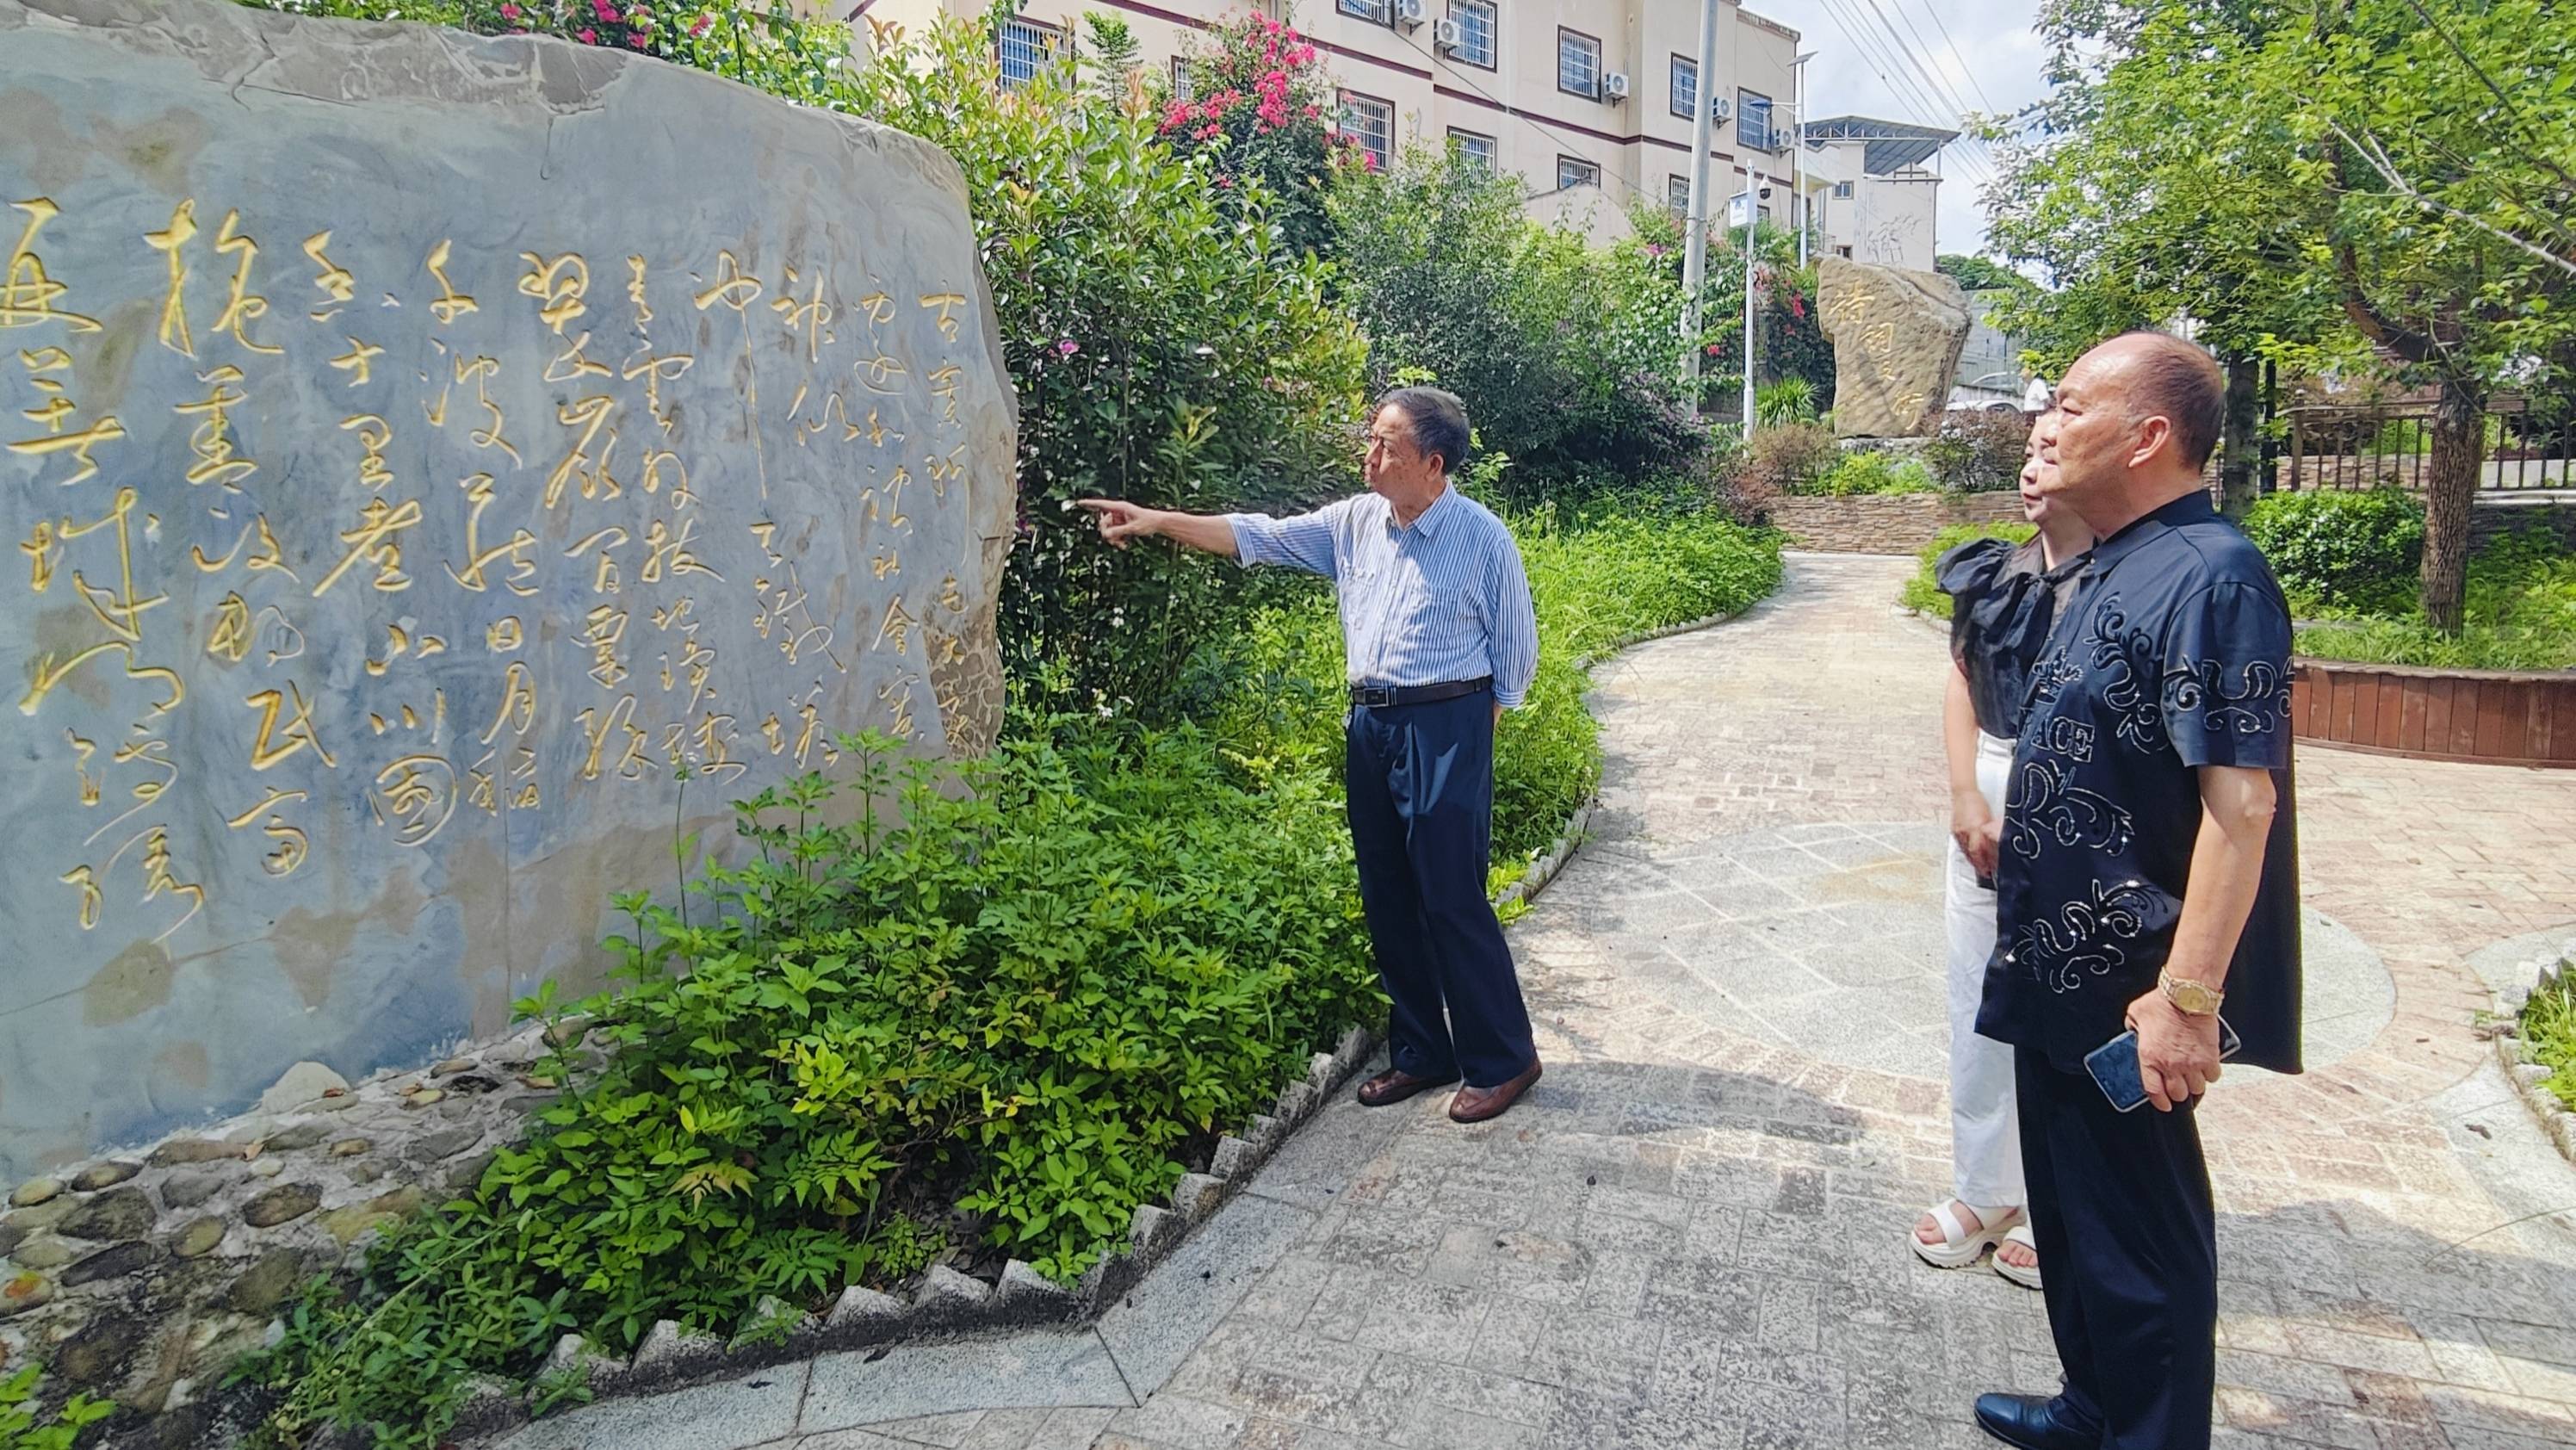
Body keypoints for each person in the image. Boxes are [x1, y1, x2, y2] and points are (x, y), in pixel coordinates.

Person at [1969, 332, 2302, 1450]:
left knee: (2141, 1246)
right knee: (2070, 1222)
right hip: (2055, 980)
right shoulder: (2116, 557)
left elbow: (2240, 809)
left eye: (2068, 406)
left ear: (2149, 434)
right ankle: (2091, 1409)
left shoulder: (2213, 575)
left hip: (2131, 1001)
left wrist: (2188, 999)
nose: (2045, 425)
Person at [1074, 387, 1547, 1124]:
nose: (1369, 456)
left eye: (1385, 446)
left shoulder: (1483, 539)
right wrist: (1158, 520)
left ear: (1432, 462)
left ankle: (1505, 1058)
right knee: (1388, 892)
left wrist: (1465, 739)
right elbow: (1256, 534)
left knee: (1451, 896)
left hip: (1448, 725)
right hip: (1373, 724)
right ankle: (1423, 1051)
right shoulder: (1355, 523)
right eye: (1372, 439)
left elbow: (1516, 657)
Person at [1913, 431, 2090, 1292]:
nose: (2031, 467)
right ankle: (1986, 1189)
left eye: (2054, 449)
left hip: (2083, 807)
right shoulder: (1992, 575)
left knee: (2069, 1008)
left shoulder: (2130, 586)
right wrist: (1963, 797)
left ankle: (2061, 1203)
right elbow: (1959, 679)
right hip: (1985, 785)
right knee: (1976, 997)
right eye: (2028, 450)